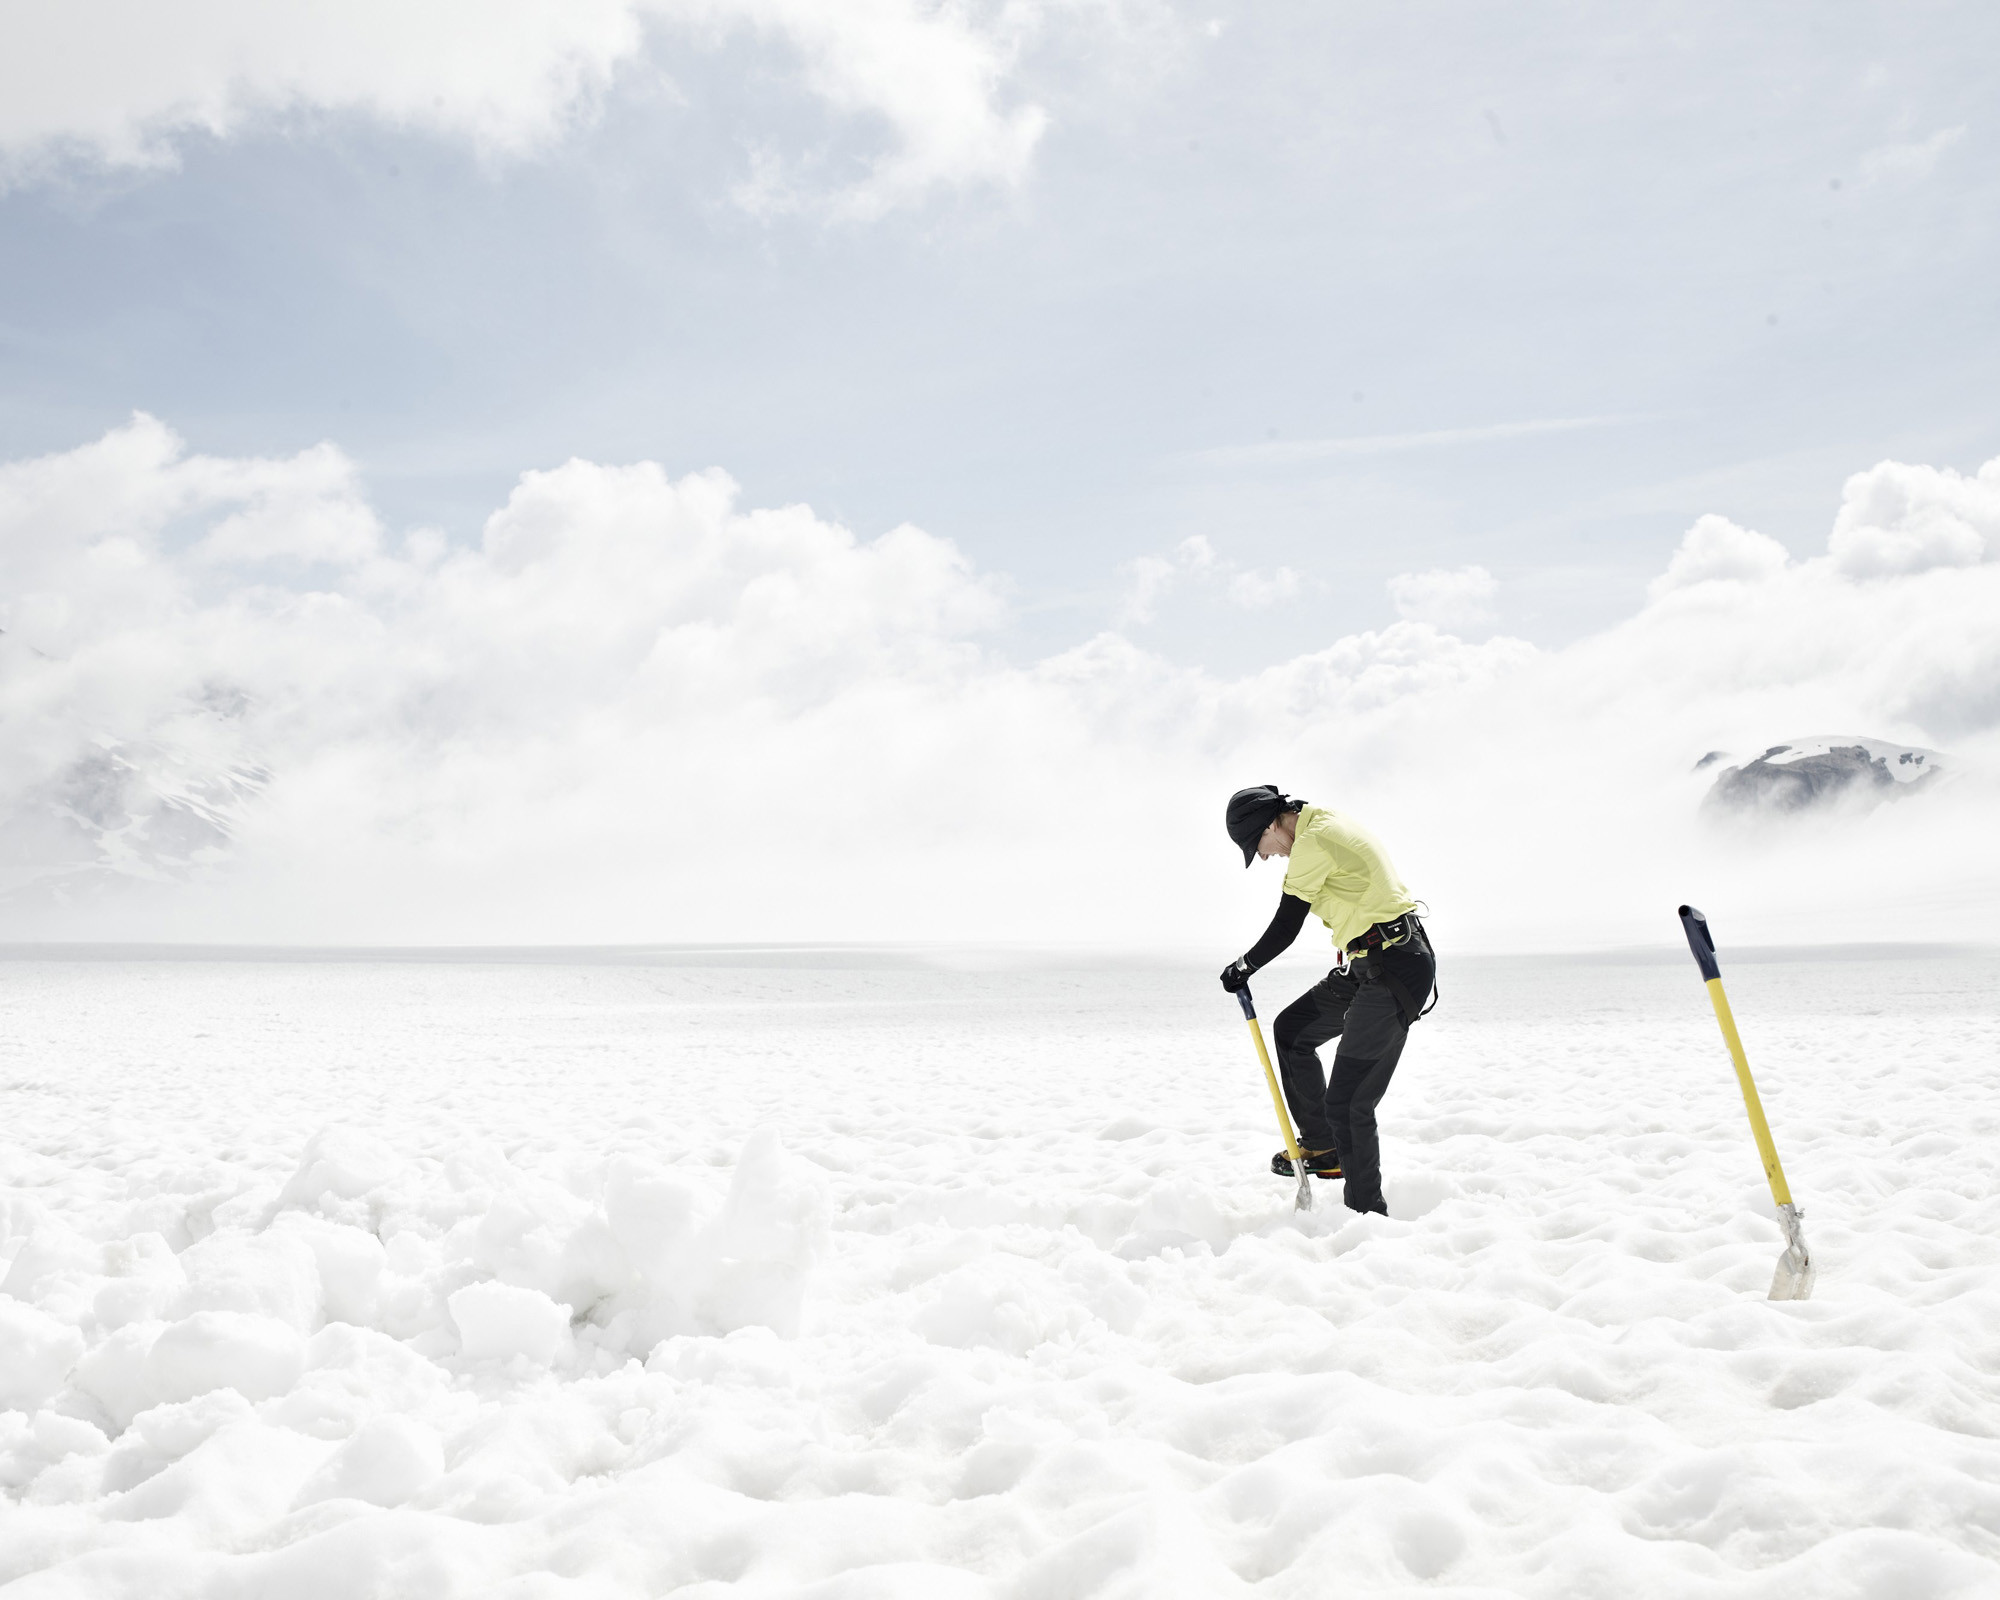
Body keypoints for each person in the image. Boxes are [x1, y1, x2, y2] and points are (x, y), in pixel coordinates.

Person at [1218, 785, 1435, 1216]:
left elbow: (1286, 927)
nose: (1264, 857)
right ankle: (1324, 1147)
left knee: (1349, 1103)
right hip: (1367, 963)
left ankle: (1367, 1216)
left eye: (1257, 847)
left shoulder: (1314, 841)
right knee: (1292, 1030)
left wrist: (1243, 966)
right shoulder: (1318, 824)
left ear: (1270, 825)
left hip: (1395, 967)